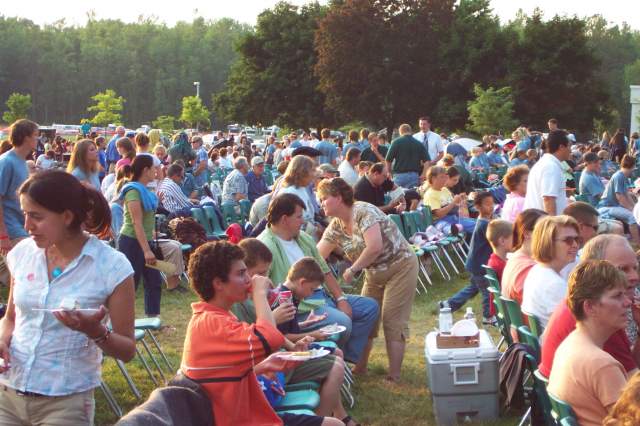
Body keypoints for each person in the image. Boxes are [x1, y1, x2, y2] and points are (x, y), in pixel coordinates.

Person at [0, 170, 135, 425]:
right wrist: (2, 339)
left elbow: (128, 350)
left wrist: (95, 331)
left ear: (67, 216)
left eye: (36, 217)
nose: (27, 225)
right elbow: (10, 318)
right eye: (25, 214)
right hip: (8, 394)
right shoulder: (22, 254)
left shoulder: (112, 267)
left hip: (65, 402)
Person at [181, 241, 343, 426]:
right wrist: (259, 293)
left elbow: (225, 373)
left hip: (245, 413)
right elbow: (271, 338)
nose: (250, 280)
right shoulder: (215, 325)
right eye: (241, 274)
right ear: (218, 283)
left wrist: (263, 366)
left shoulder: (213, 317)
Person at [257, 193, 379, 365]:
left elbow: (325, 271)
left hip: (322, 297)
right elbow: (263, 291)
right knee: (342, 321)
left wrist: (341, 298)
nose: (303, 221)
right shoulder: (264, 246)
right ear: (285, 219)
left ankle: (347, 359)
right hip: (302, 307)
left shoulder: (303, 239)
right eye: (299, 217)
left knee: (369, 307)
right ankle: (333, 363)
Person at [317, 178, 417, 382]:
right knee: (366, 316)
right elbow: (318, 256)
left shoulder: (363, 212)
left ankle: (394, 375)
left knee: (392, 319)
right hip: (374, 272)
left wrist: (353, 269)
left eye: (324, 199)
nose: (321, 204)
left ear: (338, 197)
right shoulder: (336, 225)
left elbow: (375, 247)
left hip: (401, 265)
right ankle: (360, 368)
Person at [539, 234, 640, 378]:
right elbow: (632, 387)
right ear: (595, 268)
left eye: (635, 268)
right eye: (622, 269)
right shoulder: (598, 316)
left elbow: (629, 365)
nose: (635, 276)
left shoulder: (584, 302)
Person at [548, 260, 630, 426]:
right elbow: (631, 421)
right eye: (617, 296)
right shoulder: (602, 365)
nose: (627, 302)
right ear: (590, 307)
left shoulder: (569, 345)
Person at [439, 192, 496, 324]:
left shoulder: (485, 222)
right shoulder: (484, 224)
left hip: (475, 263)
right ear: (478, 207)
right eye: (487, 204)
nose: (491, 207)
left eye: (492, 203)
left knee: (473, 288)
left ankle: (448, 305)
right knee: (487, 290)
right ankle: (488, 316)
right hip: (480, 265)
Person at [117, 155, 163, 318]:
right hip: (132, 242)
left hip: (144, 241)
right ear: (145, 170)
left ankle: (153, 318)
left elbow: (147, 219)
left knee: (154, 281)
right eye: (153, 168)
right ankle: (119, 320)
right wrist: (147, 251)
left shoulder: (146, 191)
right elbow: (136, 223)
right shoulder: (133, 191)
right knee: (131, 283)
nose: (156, 171)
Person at [521, 215, 579, 327]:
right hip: (558, 343)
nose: (575, 245)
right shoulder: (553, 284)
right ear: (547, 242)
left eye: (576, 239)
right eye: (568, 240)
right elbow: (578, 326)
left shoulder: (537, 271)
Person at [0, 119, 38, 259]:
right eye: (35, 135)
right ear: (26, 137)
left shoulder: (22, 162)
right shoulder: (6, 162)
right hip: (11, 231)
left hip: (21, 227)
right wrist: (3, 235)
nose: (37, 138)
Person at [501, 209, 548, 304]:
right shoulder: (528, 268)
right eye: (544, 229)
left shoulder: (516, 258)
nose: (551, 233)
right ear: (527, 234)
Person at [523, 130, 570, 215]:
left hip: (539, 222)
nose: (570, 150)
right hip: (543, 225)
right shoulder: (551, 167)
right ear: (561, 147)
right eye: (569, 146)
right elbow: (548, 199)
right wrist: (552, 227)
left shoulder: (547, 164)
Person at [422, 166, 475, 234]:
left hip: (454, 219)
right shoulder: (430, 194)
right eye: (442, 177)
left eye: (445, 176)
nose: (445, 179)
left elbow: (454, 205)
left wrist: (460, 200)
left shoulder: (445, 189)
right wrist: (453, 203)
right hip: (443, 222)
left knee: (479, 224)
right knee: (478, 226)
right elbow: (439, 214)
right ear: (433, 178)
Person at [599, 155, 640, 244]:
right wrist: (632, 211)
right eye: (634, 167)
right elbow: (620, 198)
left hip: (614, 205)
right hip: (607, 207)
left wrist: (634, 207)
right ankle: (638, 244)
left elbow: (626, 195)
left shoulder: (623, 175)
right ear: (631, 166)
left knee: (636, 213)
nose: (634, 169)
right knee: (632, 217)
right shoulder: (619, 176)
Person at [278, 155, 319, 235]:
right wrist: (316, 229)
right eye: (311, 171)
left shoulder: (301, 188)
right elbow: (293, 223)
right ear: (302, 172)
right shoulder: (289, 193)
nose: (313, 175)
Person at [385, 123, 430, 189]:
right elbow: (427, 161)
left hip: (399, 175)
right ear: (410, 131)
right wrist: (423, 174)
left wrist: (389, 172)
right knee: (412, 196)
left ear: (400, 132)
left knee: (398, 196)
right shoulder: (419, 143)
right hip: (414, 175)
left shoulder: (396, 142)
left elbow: (388, 160)